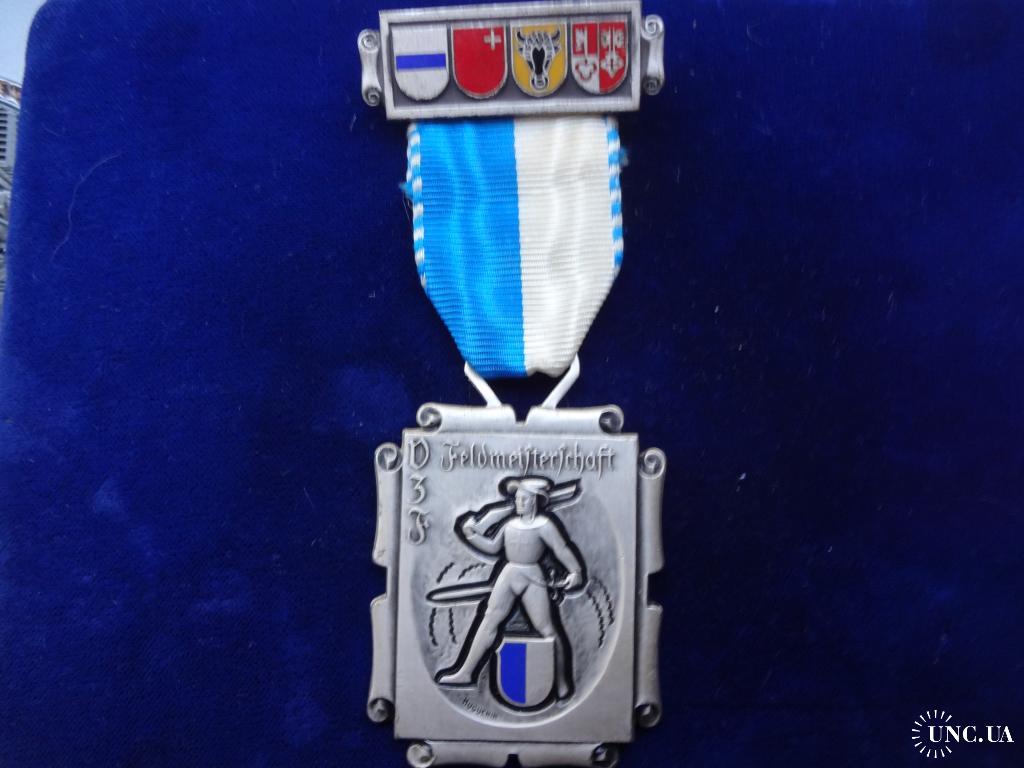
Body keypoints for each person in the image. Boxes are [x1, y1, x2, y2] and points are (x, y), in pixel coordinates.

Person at [437, 476, 584, 700]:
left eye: (523, 499)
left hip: (532, 577)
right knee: (489, 621)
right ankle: (465, 673)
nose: (518, 502)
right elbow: (493, 548)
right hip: (509, 575)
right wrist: (471, 535)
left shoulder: (545, 526)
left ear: (534, 500)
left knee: (548, 630)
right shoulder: (509, 525)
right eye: (517, 499)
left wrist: (576, 571)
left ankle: (562, 682)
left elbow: (561, 549)